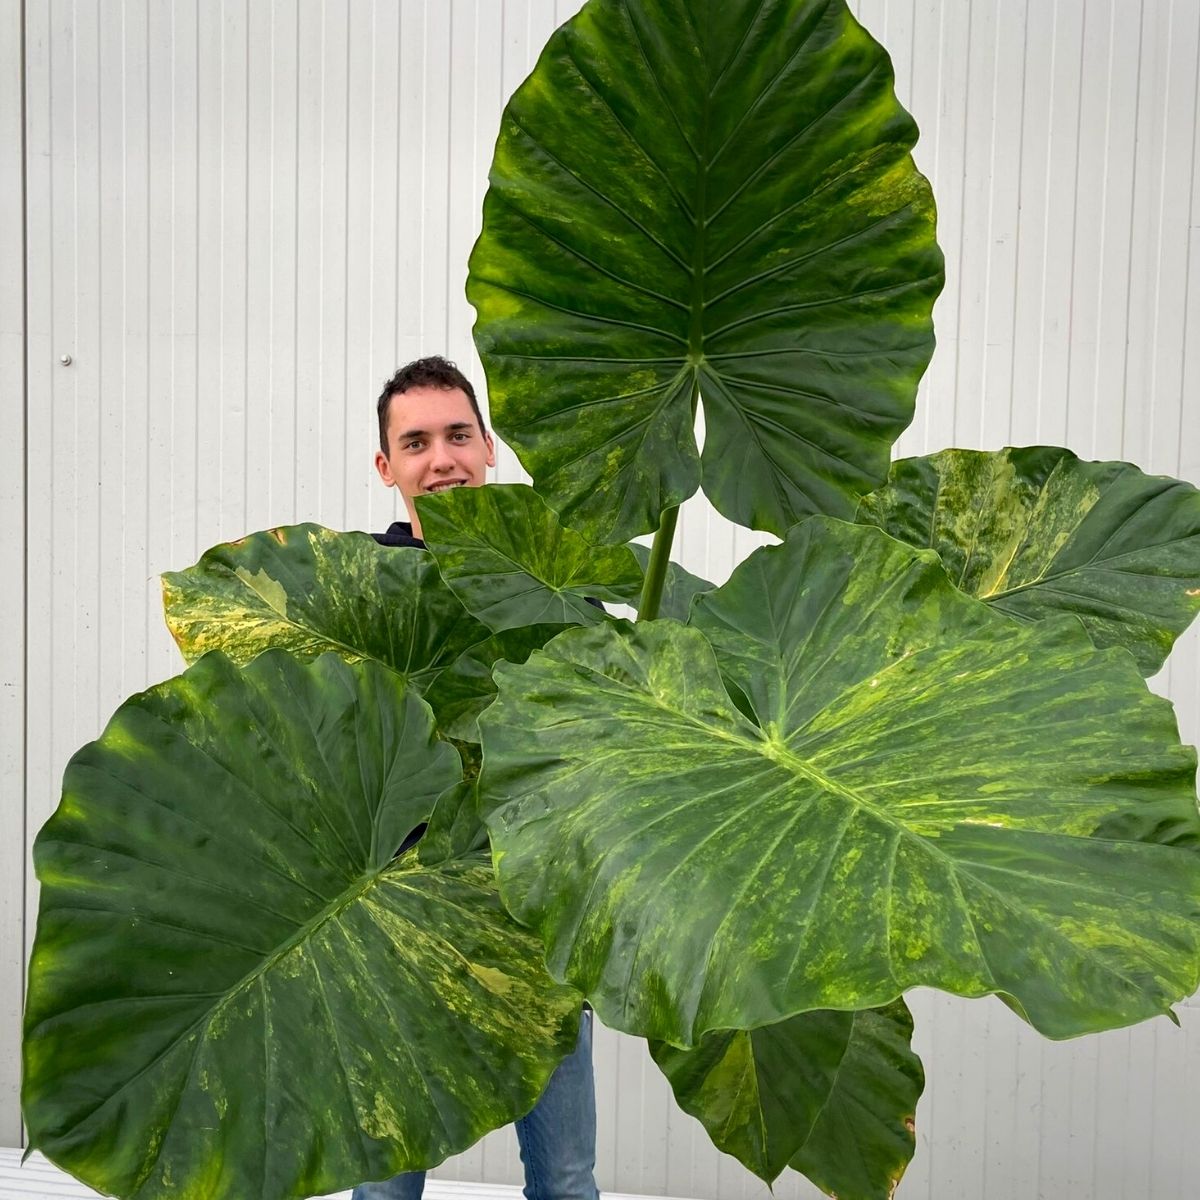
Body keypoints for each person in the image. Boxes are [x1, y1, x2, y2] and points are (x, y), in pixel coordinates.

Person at [355, 355, 600, 1200]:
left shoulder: (557, 587)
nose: (442, 459)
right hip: (404, 922)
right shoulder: (358, 597)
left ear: (490, 448)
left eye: (459, 434)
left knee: (566, 1180)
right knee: (386, 1186)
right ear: (387, 469)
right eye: (415, 442)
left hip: (534, 921)